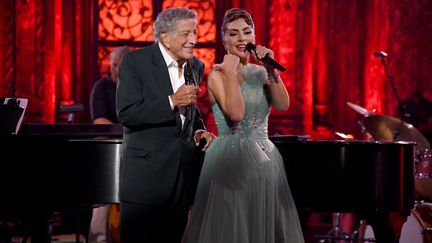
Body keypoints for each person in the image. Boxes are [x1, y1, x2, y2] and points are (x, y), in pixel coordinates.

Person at [182, 8, 305, 243]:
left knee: (261, 227)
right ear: (224, 40)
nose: (241, 39)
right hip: (230, 160)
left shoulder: (260, 73)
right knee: (232, 229)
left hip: (265, 160)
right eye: (234, 33)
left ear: (254, 38)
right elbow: (236, 114)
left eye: (247, 33)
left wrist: (270, 69)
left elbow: (283, 104)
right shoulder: (218, 75)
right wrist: (230, 71)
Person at [116, 7, 215, 243]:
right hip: (146, 181)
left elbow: (190, 110)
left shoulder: (196, 66)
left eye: (194, 32)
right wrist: (171, 101)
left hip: (181, 179)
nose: (193, 40)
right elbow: (126, 112)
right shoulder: (135, 61)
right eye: (185, 34)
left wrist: (199, 128)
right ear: (165, 37)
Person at [88, 45, 129, 243]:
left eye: (120, 66)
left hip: (131, 150)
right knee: (102, 203)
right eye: (113, 65)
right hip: (106, 152)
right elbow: (99, 122)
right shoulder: (101, 87)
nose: (115, 69)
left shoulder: (135, 87)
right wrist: (130, 128)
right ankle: (98, 240)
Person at [397, 80, 432, 144]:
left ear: (421, 87)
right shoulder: (404, 104)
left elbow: (430, 123)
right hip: (407, 137)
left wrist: (422, 128)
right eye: (414, 86)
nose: (416, 88)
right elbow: (398, 121)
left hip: (423, 137)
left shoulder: (428, 104)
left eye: (418, 86)